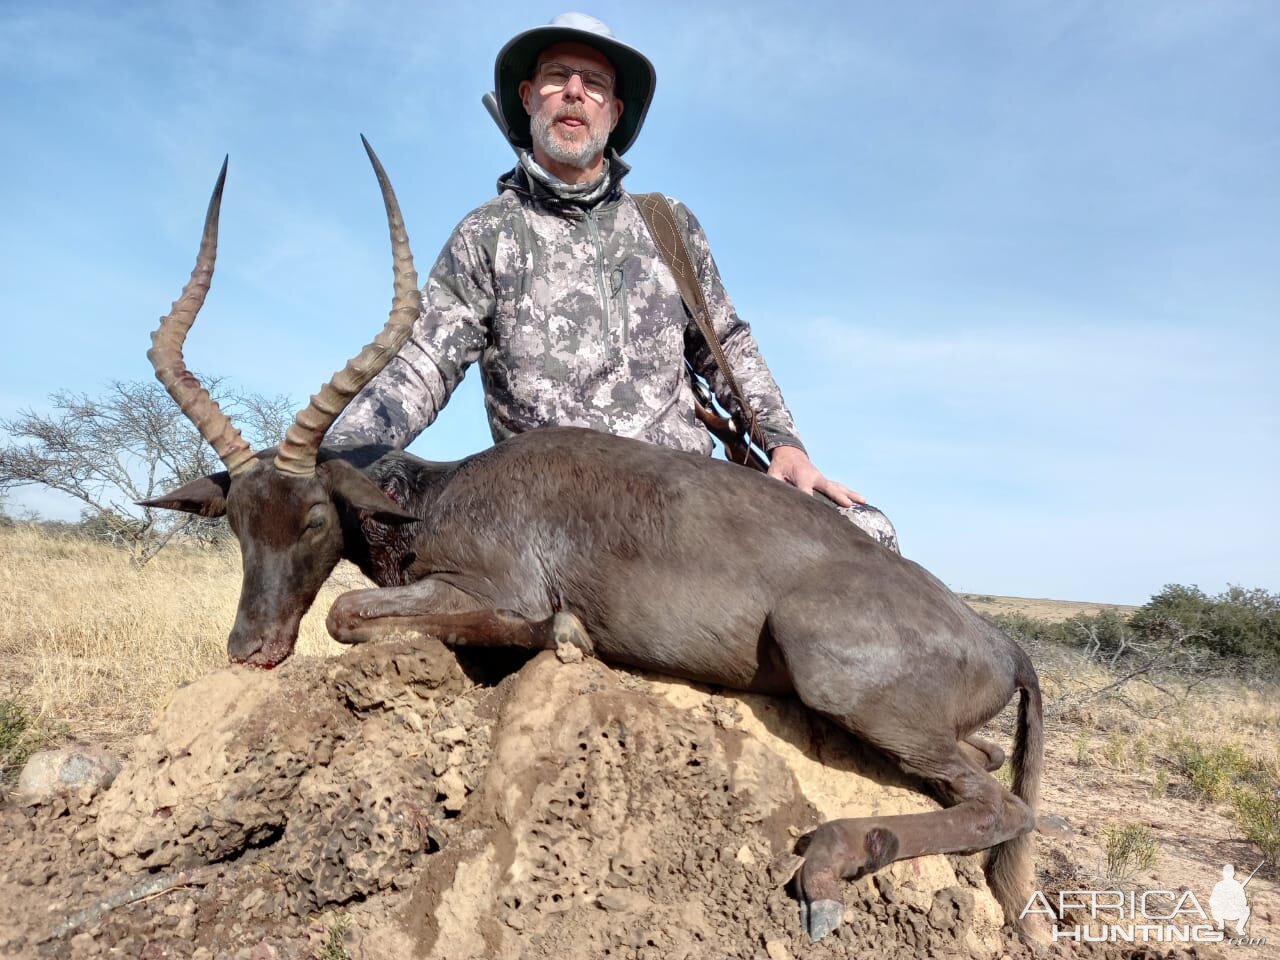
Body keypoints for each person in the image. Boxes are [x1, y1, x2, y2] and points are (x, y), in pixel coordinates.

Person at [327, 12, 898, 552]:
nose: (575, 90)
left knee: (868, 534)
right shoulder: (488, 234)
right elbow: (421, 365)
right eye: (556, 76)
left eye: (594, 82)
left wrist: (784, 444)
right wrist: (334, 458)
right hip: (550, 515)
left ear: (614, 110)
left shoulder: (667, 224)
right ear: (528, 98)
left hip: (684, 497)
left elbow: (726, 342)